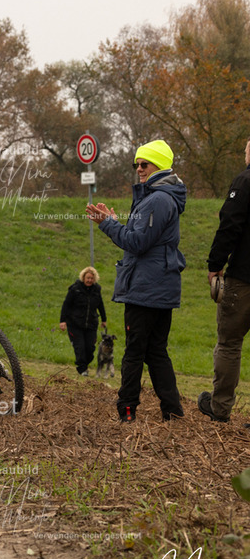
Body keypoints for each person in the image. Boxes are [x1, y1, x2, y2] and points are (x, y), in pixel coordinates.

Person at [86, 139, 186, 423]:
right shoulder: (162, 196)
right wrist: (118, 222)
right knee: (156, 352)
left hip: (146, 290)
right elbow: (143, 237)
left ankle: (127, 410)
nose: (139, 169)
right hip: (159, 286)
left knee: (134, 353)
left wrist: (108, 224)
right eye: (137, 164)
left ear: (160, 166)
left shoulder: (157, 198)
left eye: (145, 164)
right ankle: (173, 413)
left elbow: (138, 243)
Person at [198, 137, 250, 424]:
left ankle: (220, 409)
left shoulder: (244, 182)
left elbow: (229, 224)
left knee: (230, 343)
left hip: (243, 278)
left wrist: (215, 265)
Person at [58, 266, 108, 376]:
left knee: (90, 349)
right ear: (83, 277)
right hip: (75, 324)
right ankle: (82, 369)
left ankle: (84, 364)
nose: (89, 280)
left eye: (91, 278)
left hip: (91, 324)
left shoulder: (97, 290)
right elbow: (66, 305)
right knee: (80, 347)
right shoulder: (75, 289)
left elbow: (100, 304)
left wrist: (104, 319)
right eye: (87, 278)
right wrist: (62, 321)